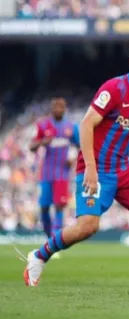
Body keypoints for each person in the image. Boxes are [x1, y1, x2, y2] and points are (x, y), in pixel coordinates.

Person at [23, 37, 129, 288]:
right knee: (87, 227)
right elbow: (87, 124)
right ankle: (39, 255)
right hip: (96, 168)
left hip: (123, 169)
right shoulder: (114, 89)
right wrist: (92, 170)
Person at [30, 97, 79, 257]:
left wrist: (73, 158)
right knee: (44, 206)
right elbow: (32, 146)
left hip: (62, 174)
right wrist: (43, 142)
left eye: (61, 107)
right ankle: (47, 237)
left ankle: (53, 243)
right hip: (47, 173)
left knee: (59, 206)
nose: (58, 109)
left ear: (65, 109)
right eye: (55, 107)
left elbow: (81, 145)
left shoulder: (70, 128)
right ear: (51, 109)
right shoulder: (43, 126)